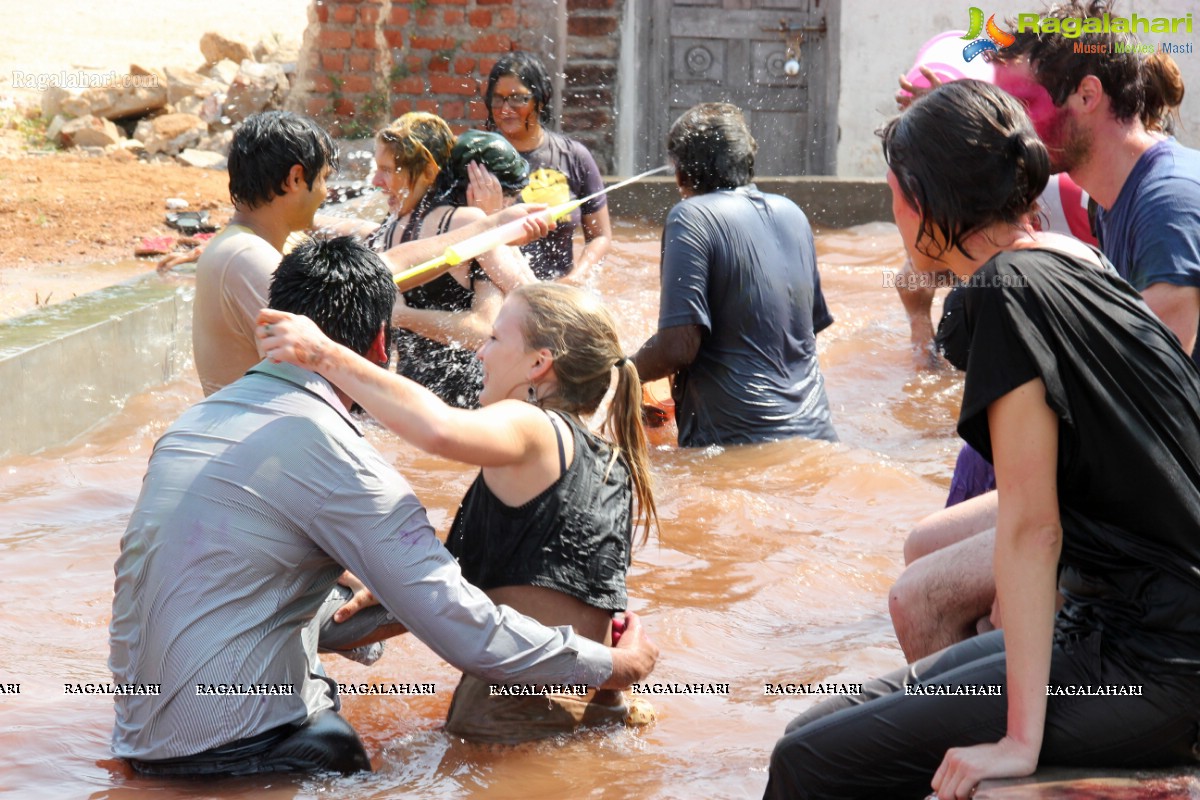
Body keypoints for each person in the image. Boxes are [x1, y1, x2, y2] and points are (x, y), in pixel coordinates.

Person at [767, 79, 1200, 800]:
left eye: (894, 196)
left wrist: (1018, 742)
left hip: (1149, 668)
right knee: (818, 725)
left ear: (924, 200)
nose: (893, 214)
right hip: (1126, 633)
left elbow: (1031, 530)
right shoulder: (1070, 258)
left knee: (810, 761)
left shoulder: (1004, 295)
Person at [109, 236, 658, 777]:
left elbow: (221, 595)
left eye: (492, 337)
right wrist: (614, 666)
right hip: (556, 701)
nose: (479, 349)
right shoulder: (344, 456)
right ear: (379, 343)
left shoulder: (188, 427)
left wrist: (392, 584)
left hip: (138, 737)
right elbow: (462, 617)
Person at [888, 1, 1197, 661]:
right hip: (1125, 486)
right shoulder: (1108, 201)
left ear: (1087, 96)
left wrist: (1037, 562)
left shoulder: (1168, 203)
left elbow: (1141, 414)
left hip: (1161, 520)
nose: (1010, 134)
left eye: (1021, 105)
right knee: (922, 545)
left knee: (929, 595)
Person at [257, 281, 658, 742]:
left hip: (508, 718)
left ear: (538, 363)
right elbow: (534, 581)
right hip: (594, 712)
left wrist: (322, 354)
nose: (481, 354)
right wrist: (396, 595)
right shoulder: (610, 460)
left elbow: (440, 429)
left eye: (494, 339)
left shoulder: (532, 424)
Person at [190, 110, 549, 396]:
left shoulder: (258, 245)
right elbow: (328, 358)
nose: (327, 193)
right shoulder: (251, 257)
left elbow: (381, 267)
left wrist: (490, 225)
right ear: (295, 179)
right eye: (325, 179)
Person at [631, 102, 836, 448]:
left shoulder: (690, 216)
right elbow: (807, 331)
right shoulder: (793, 214)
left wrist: (621, 374)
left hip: (735, 443)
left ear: (681, 172)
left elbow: (678, 346)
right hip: (816, 435)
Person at [362, 116, 534, 407]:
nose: (376, 182)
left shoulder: (387, 230)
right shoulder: (465, 223)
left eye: (387, 170)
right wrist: (492, 223)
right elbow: (534, 300)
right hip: (468, 398)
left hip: (408, 395)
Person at [483, 51, 612, 281]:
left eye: (517, 98)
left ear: (540, 100)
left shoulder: (574, 157)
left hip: (557, 292)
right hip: (498, 292)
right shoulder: (478, 159)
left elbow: (600, 236)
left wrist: (577, 278)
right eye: (498, 98)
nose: (505, 109)